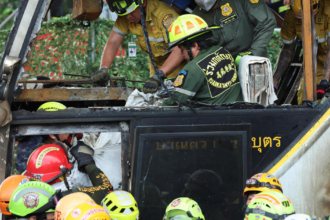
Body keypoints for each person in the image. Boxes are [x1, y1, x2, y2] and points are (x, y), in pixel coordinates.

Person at [91, 0, 186, 94]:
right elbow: (113, 42)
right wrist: (104, 68)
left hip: (178, 68)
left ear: (143, 2)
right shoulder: (126, 16)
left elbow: (180, 49)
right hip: (156, 69)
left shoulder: (165, 16)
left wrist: (160, 74)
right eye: (125, 14)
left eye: (131, 12)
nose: (128, 16)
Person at [162, 14, 243, 106]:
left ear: (195, 46)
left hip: (215, 117)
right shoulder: (221, 51)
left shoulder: (193, 68)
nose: (182, 54)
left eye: (182, 50)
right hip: (238, 108)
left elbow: (175, 102)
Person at [171, 0, 276, 61]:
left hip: (253, 63)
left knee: (257, 97)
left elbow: (267, 22)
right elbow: (187, 48)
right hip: (222, 73)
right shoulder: (195, 18)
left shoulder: (239, 2)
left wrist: (253, 55)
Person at [273, 0, 330, 103]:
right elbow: (287, 50)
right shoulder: (291, 16)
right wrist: (274, 81)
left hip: (327, 61)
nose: (304, 20)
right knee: (305, 96)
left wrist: (324, 82)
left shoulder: (328, 11)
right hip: (317, 63)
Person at [23, 144, 113, 204]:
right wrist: (87, 163)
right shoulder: (67, 196)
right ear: (64, 174)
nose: (69, 175)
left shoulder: (24, 196)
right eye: (68, 172)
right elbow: (106, 190)